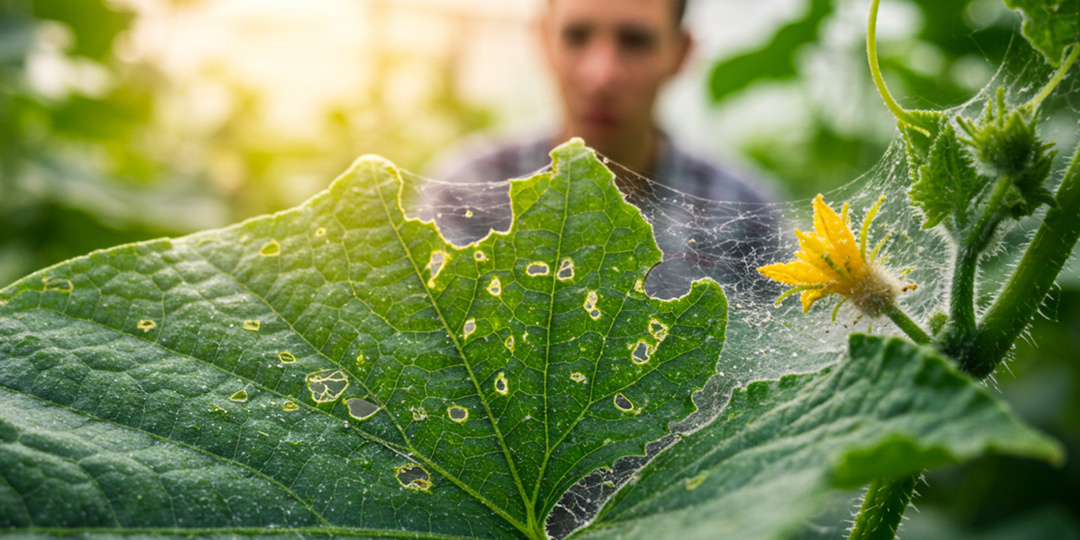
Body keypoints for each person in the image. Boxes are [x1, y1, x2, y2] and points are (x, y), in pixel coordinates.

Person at [424, 0, 778, 298]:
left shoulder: (746, 213)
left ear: (681, 53)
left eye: (635, 41)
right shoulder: (469, 193)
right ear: (543, 39)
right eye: (576, 36)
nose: (601, 75)